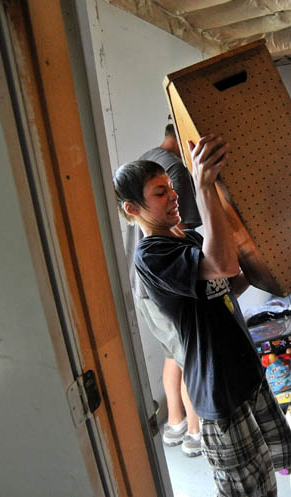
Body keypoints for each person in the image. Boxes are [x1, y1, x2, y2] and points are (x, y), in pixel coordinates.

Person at [114, 134, 291, 497]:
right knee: (247, 491)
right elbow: (222, 264)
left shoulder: (188, 239)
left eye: (171, 188)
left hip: (248, 375)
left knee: (269, 474)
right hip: (220, 393)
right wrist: (204, 186)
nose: (173, 196)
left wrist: (268, 264)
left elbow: (226, 286)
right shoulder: (152, 256)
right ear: (133, 209)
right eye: (160, 192)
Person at [123, 124, 203, 456]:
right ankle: (196, 432)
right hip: (166, 282)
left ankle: (174, 423)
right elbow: (180, 236)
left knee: (175, 352)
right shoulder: (175, 172)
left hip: (140, 283)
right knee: (192, 356)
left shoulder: (147, 161)